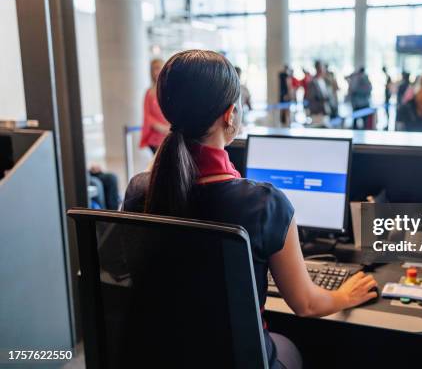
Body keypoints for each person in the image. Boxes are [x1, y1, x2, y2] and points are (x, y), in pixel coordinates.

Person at [122, 50, 377, 369]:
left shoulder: (139, 192)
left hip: (160, 355)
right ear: (230, 115)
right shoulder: (263, 204)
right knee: (290, 349)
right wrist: (345, 295)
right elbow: (307, 304)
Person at [139, 58, 170, 154]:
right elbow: (147, 115)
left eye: (159, 68)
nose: (157, 72)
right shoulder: (149, 93)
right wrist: (161, 127)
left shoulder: (171, 90)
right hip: (155, 137)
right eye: (154, 69)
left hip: (170, 134)